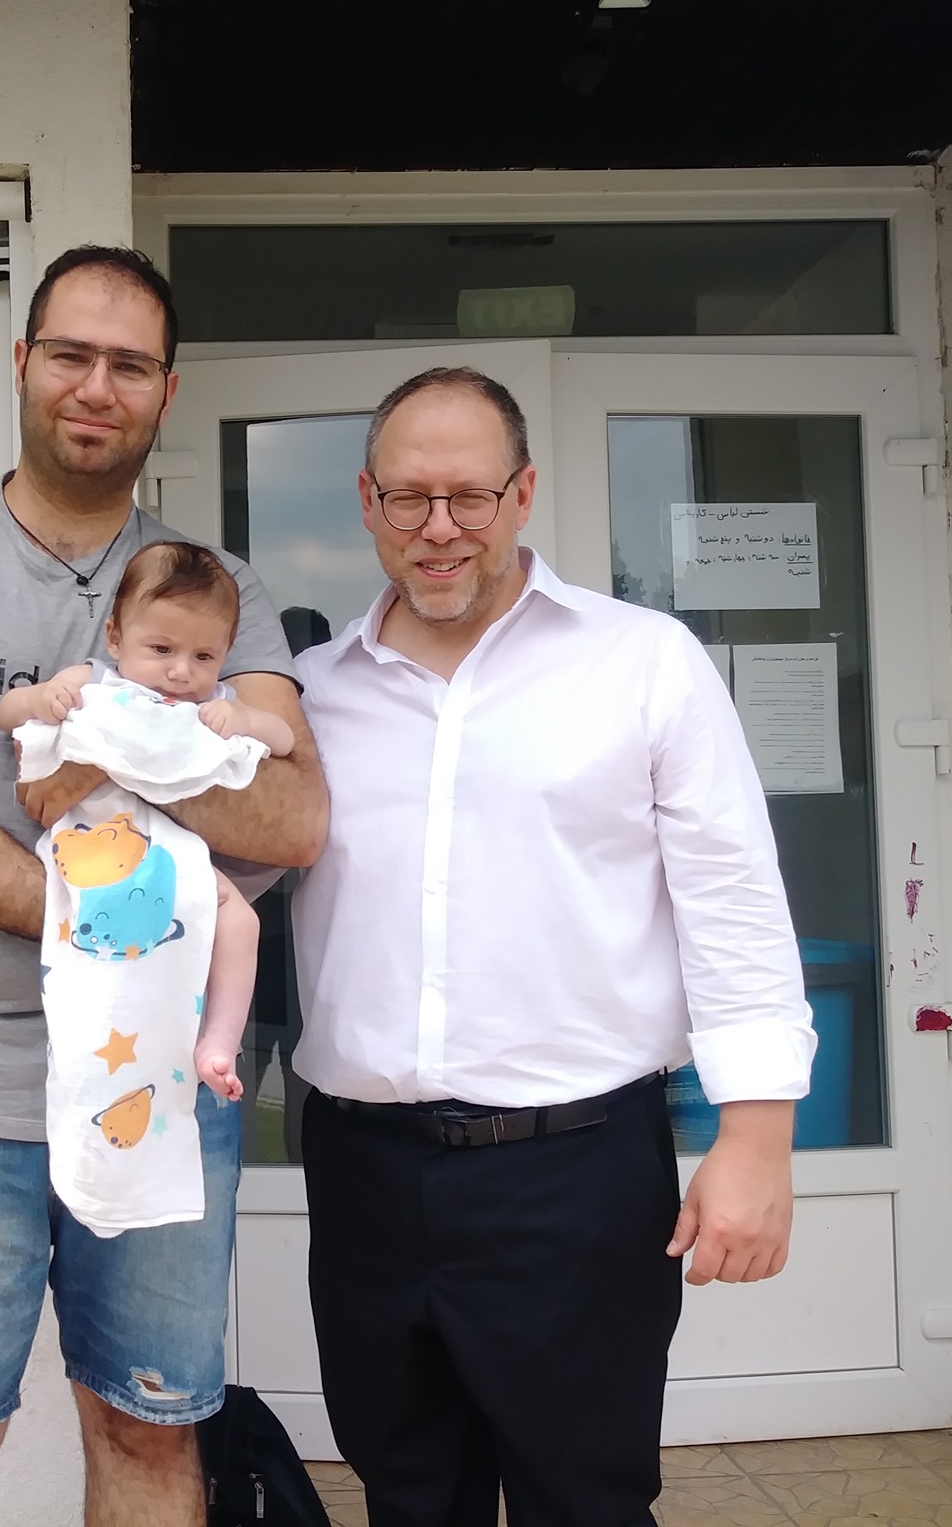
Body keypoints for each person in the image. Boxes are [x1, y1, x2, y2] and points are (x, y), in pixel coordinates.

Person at [0, 245, 328, 1527]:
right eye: (70, 355)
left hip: (156, 1092)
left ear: (167, 389)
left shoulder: (215, 588)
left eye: (129, 363)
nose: (95, 386)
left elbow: (294, 813)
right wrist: (98, 921)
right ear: (21, 365)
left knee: (152, 1438)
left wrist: (116, 747)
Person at [290, 368, 815, 1527]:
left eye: (469, 495)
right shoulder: (306, 698)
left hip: (572, 1178)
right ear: (365, 504)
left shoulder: (641, 661)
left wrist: (756, 1137)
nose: (439, 528)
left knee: (584, 1501)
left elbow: (732, 904)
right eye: (408, 497)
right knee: (407, 1494)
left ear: (522, 493)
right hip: (363, 1178)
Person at [0, 539, 297, 1103]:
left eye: (205, 658)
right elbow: (6, 714)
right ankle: (94, 1067)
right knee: (99, 968)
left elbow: (280, 739)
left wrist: (243, 717)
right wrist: (42, 698)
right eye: (161, 648)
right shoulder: (95, 684)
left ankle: (219, 1042)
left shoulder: (211, 705)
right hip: (92, 850)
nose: (181, 672)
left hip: (170, 853)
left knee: (242, 922)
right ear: (115, 637)